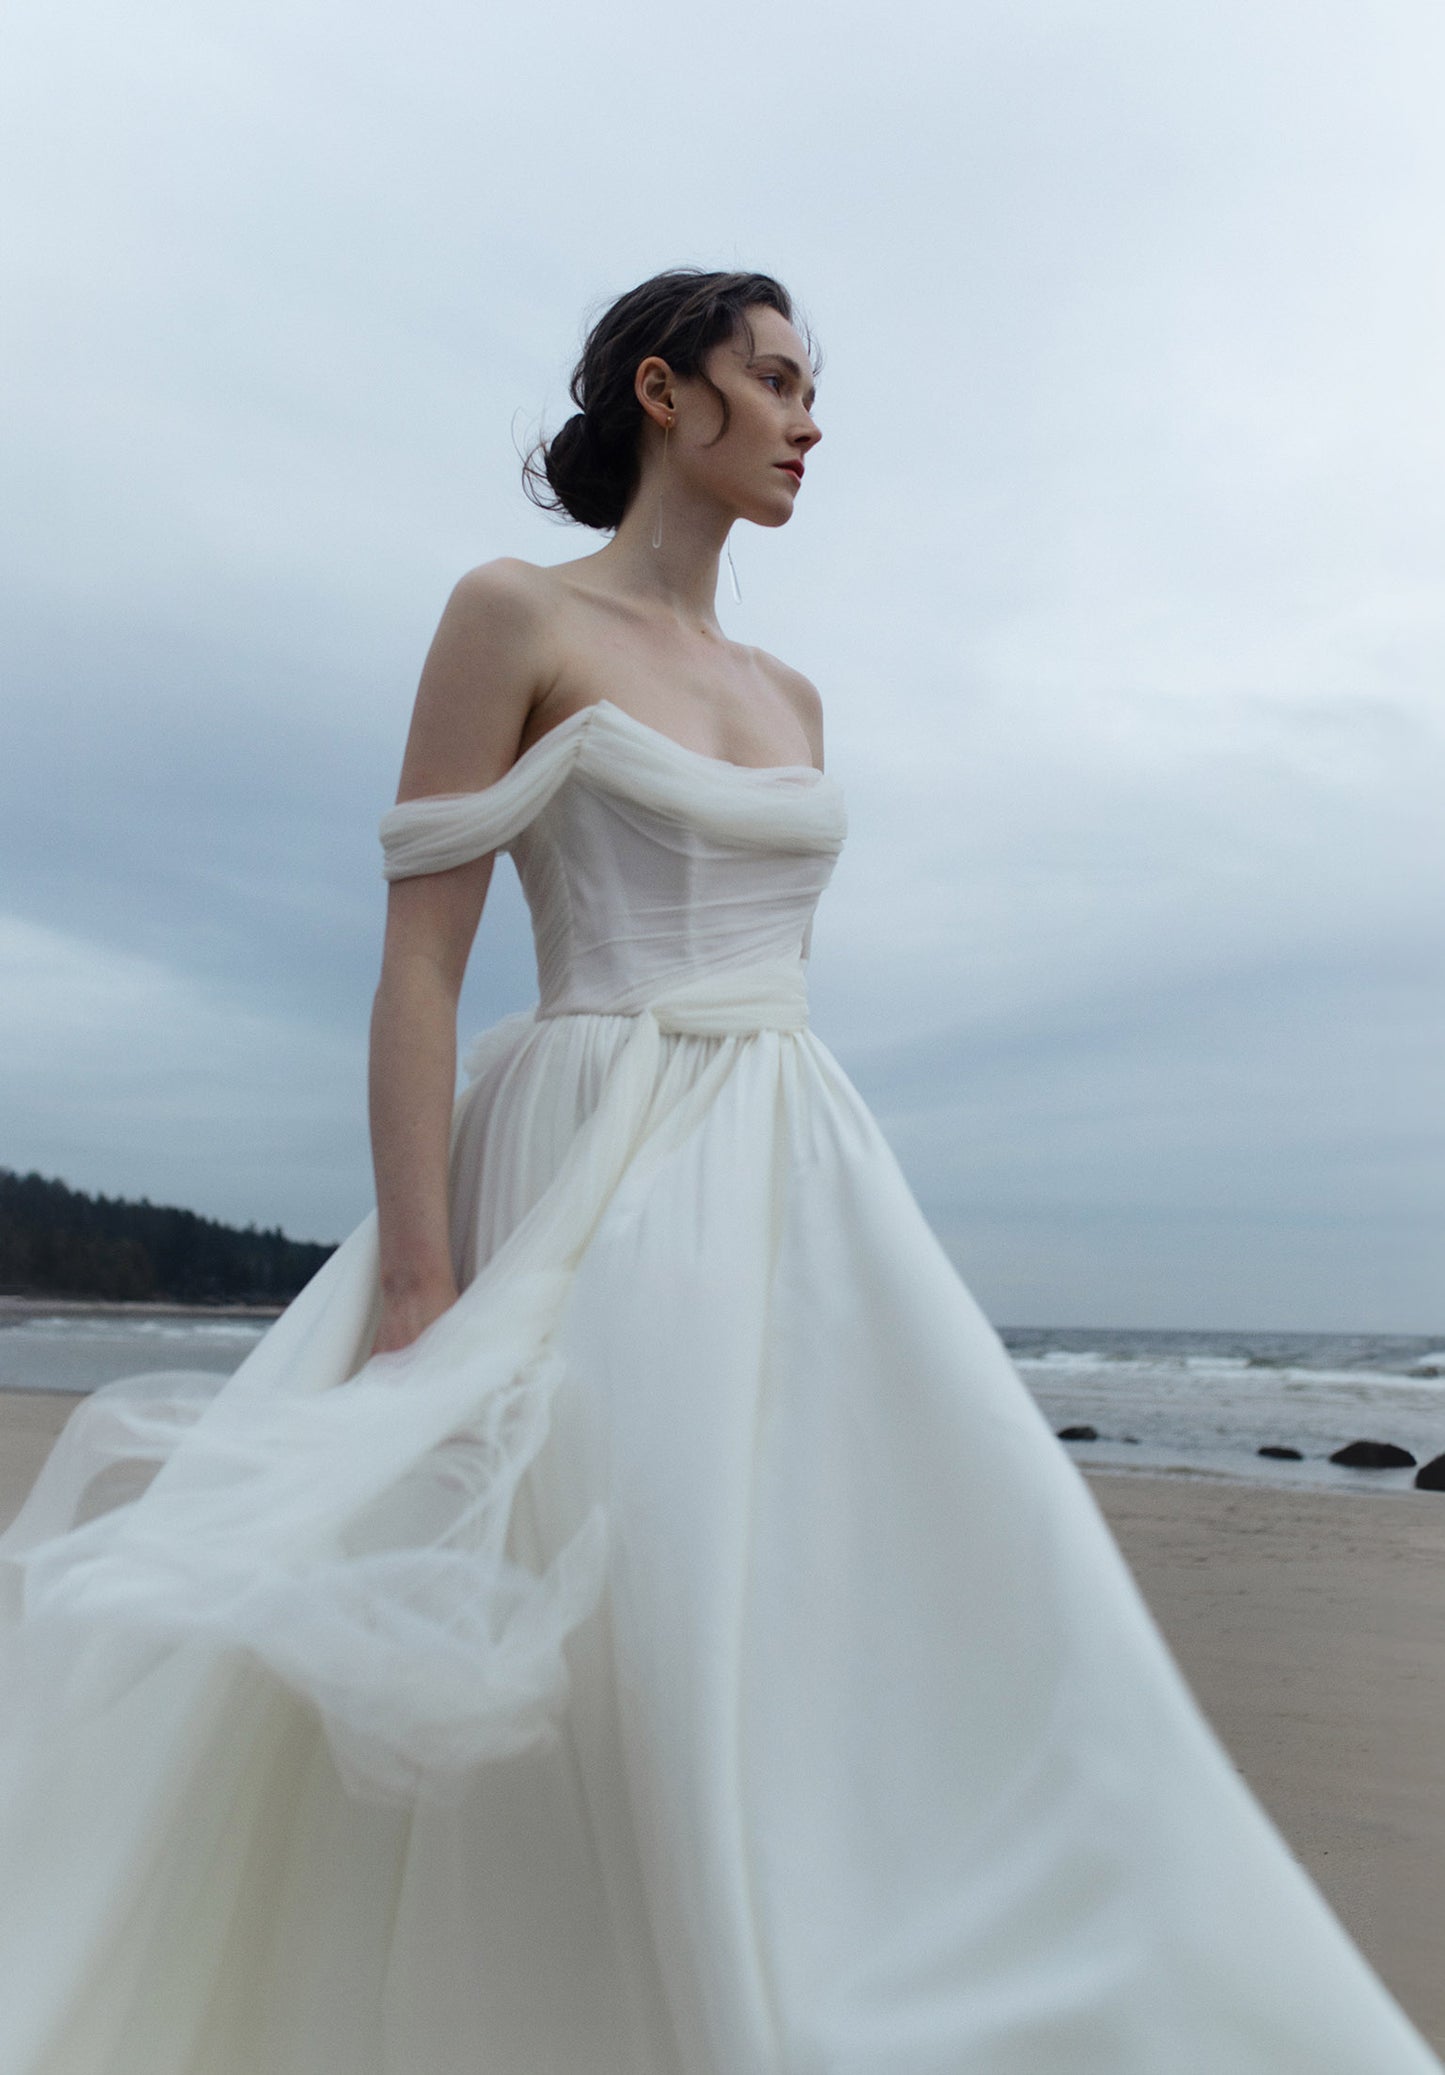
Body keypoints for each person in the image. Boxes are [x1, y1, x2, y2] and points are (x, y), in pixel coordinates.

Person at [0, 266, 1439, 2075]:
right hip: (581, 1159)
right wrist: (426, 1284)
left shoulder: (794, 695)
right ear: (661, 393)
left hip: (794, 1164)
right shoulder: (511, 611)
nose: (807, 421)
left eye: (811, 389)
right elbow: (422, 968)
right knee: (618, 1641)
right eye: (773, 381)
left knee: (879, 1624)